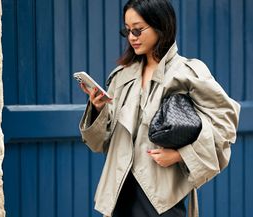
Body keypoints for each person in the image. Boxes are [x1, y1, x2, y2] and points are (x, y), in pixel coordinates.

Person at [79, 0, 240, 216]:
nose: (132, 37)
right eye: (127, 31)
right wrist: (98, 110)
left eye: (138, 29)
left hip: (163, 196)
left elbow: (225, 126)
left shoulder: (188, 72)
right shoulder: (121, 76)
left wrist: (180, 155)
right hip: (120, 192)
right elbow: (101, 143)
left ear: (160, 25)